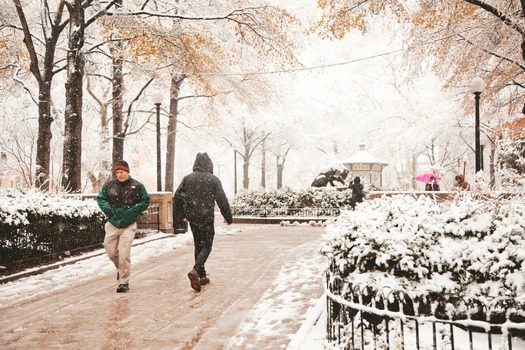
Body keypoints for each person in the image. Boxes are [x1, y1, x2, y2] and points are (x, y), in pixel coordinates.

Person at [173, 152, 232, 292]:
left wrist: (181, 216)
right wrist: (228, 216)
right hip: (206, 217)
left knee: (198, 244)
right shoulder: (213, 180)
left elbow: (177, 197)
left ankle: (202, 276)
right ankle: (195, 271)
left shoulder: (187, 179)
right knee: (207, 246)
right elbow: (222, 200)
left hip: (192, 217)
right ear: (209, 164)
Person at [97, 160, 150, 293]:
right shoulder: (109, 185)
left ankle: (124, 281)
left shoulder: (137, 186)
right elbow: (101, 199)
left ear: (127, 172)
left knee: (124, 253)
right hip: (112, 222)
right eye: (117, 172)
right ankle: (121, 270)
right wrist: (109, 210)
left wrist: (132, 211)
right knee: (111, 252)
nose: (119, 175)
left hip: (129, 224)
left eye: (122, 172)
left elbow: (145, 200)